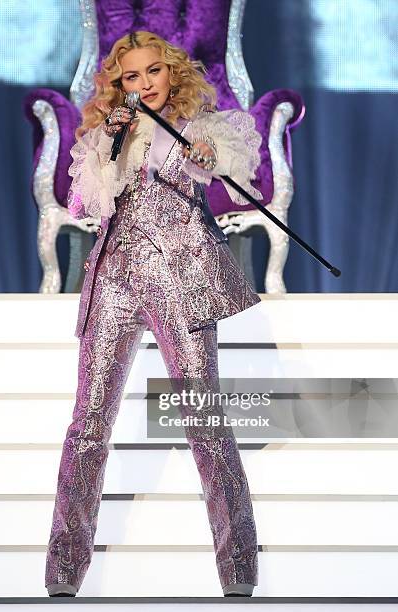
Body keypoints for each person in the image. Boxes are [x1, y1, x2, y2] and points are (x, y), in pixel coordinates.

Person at [45, 30, 263, 598]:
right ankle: (62, 573)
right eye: (131, 78)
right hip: (115, 279)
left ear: (173, 74)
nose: (144, 86)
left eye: (153, 73)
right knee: (87, 425)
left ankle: (239, 570)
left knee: (203, 421)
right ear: (120, 86)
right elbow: (80, 205)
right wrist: (109, 147)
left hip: (180, 280)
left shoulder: (200, 132)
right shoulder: (108, 136)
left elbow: (237, 182)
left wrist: (206, 159)